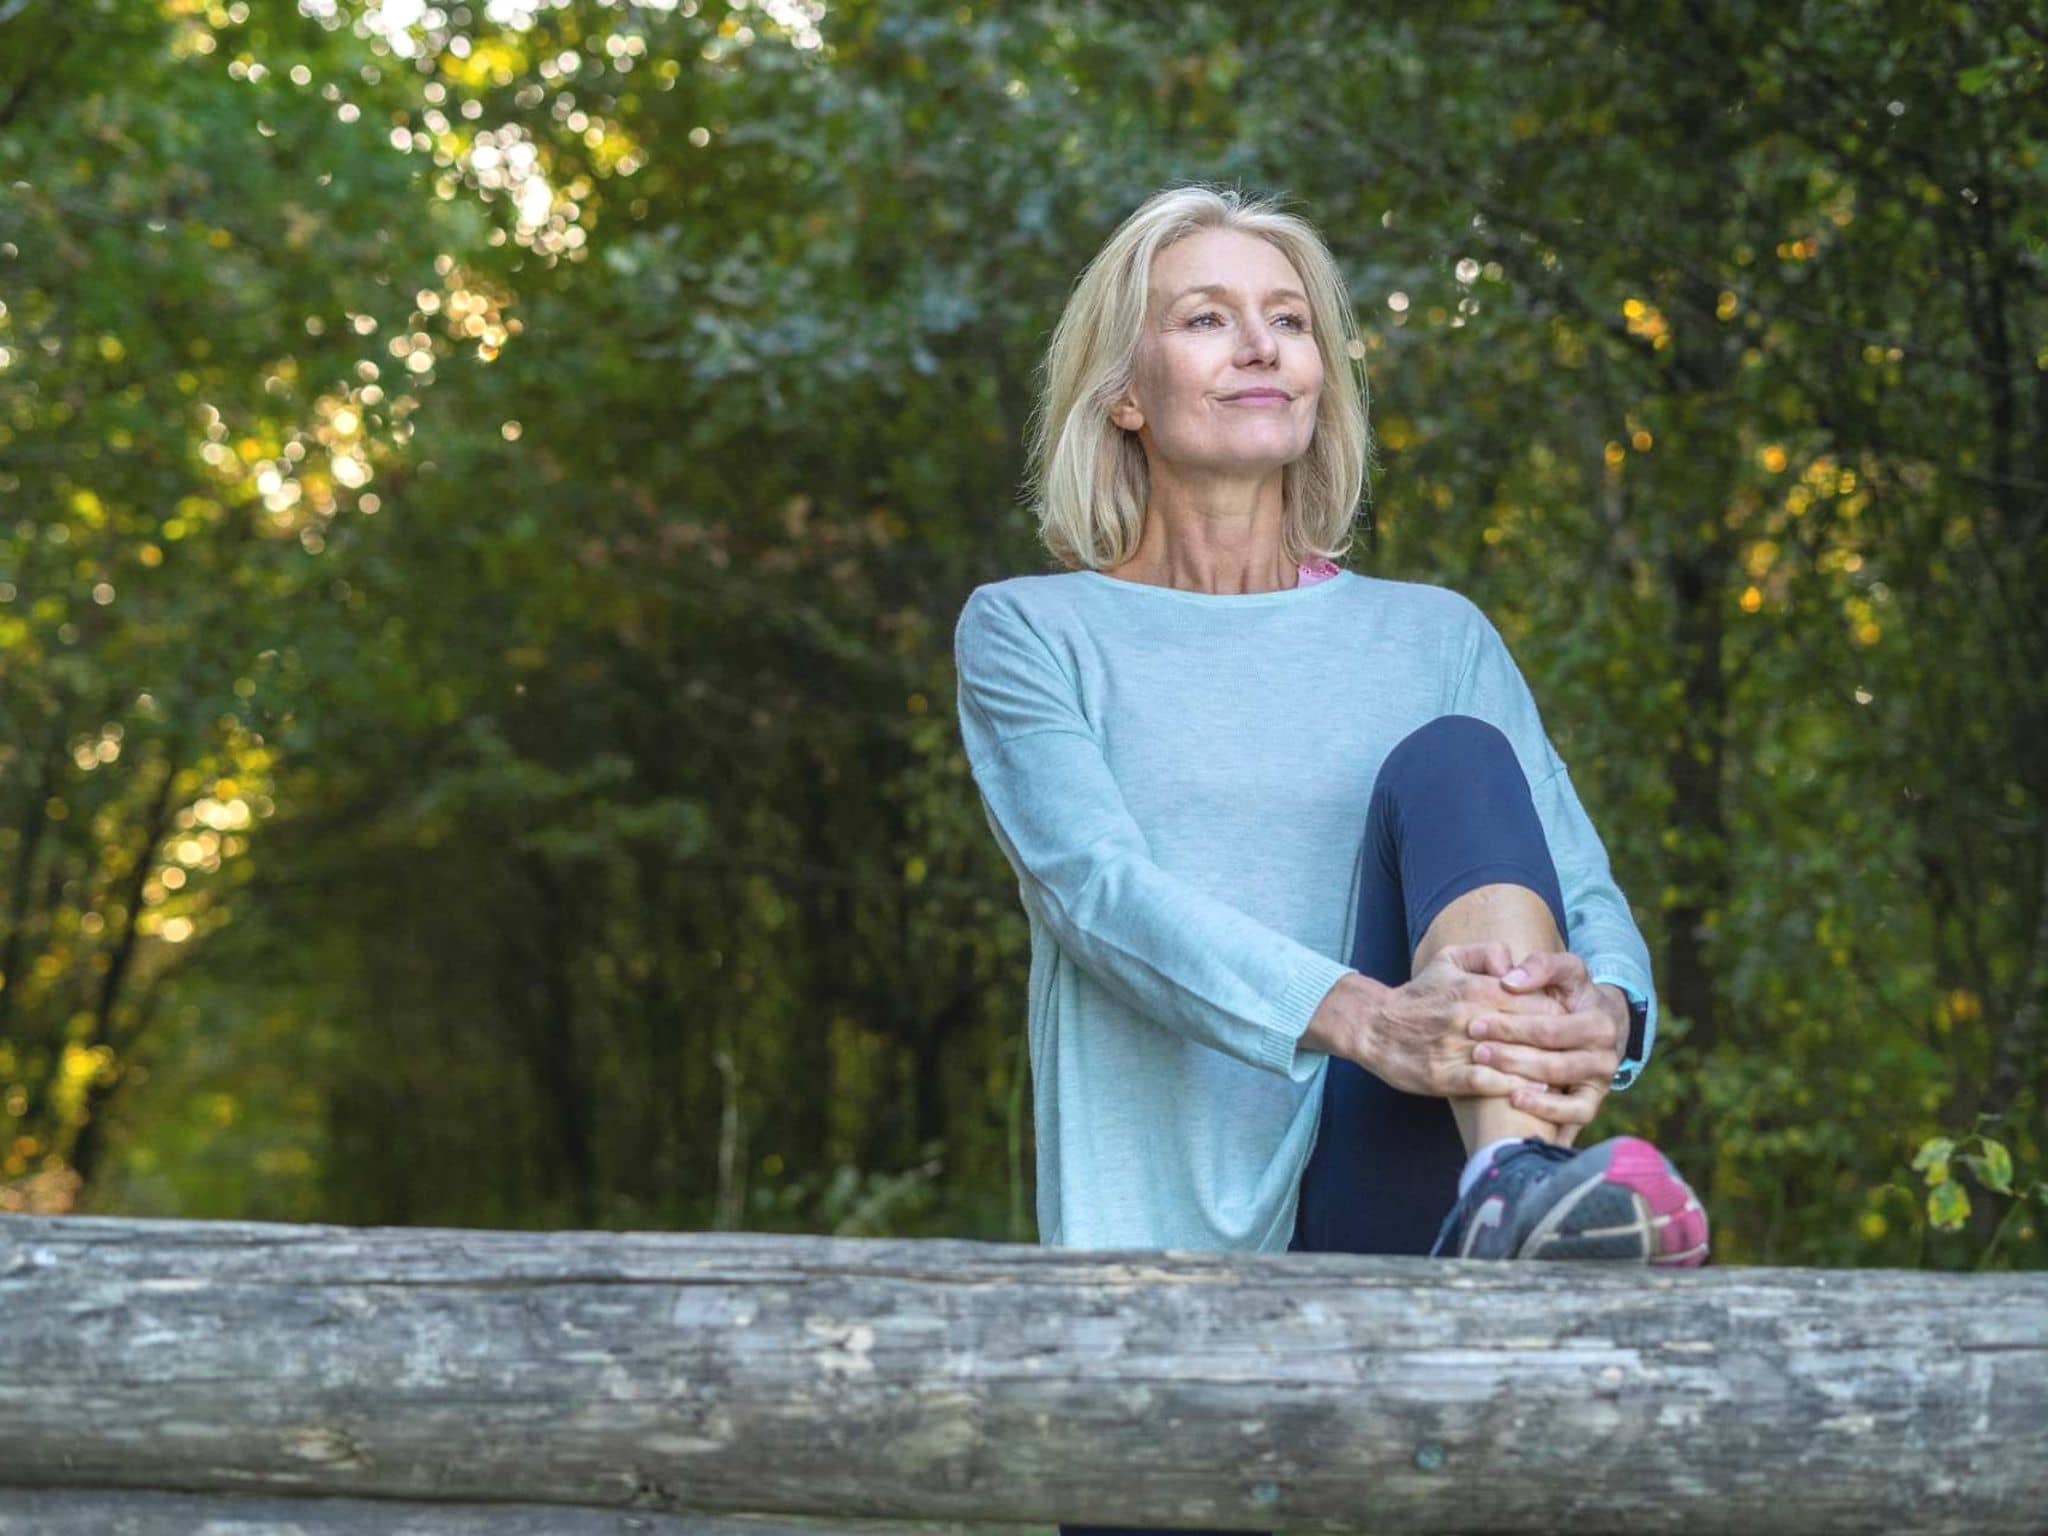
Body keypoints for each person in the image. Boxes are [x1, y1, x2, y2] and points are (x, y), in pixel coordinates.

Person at [954, 176, 1708, 1502]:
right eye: (1206, 318)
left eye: (1289, 320)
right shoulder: (1032, 631)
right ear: (1125, 390)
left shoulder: (1435, 633)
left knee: (1460, 764)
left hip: (1410, 1177)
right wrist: (1366, 1017)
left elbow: (1581, 888)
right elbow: (1097, 893)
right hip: (1165, 1235)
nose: (1261, 347)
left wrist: (1616, 1014)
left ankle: (1512, 1175)